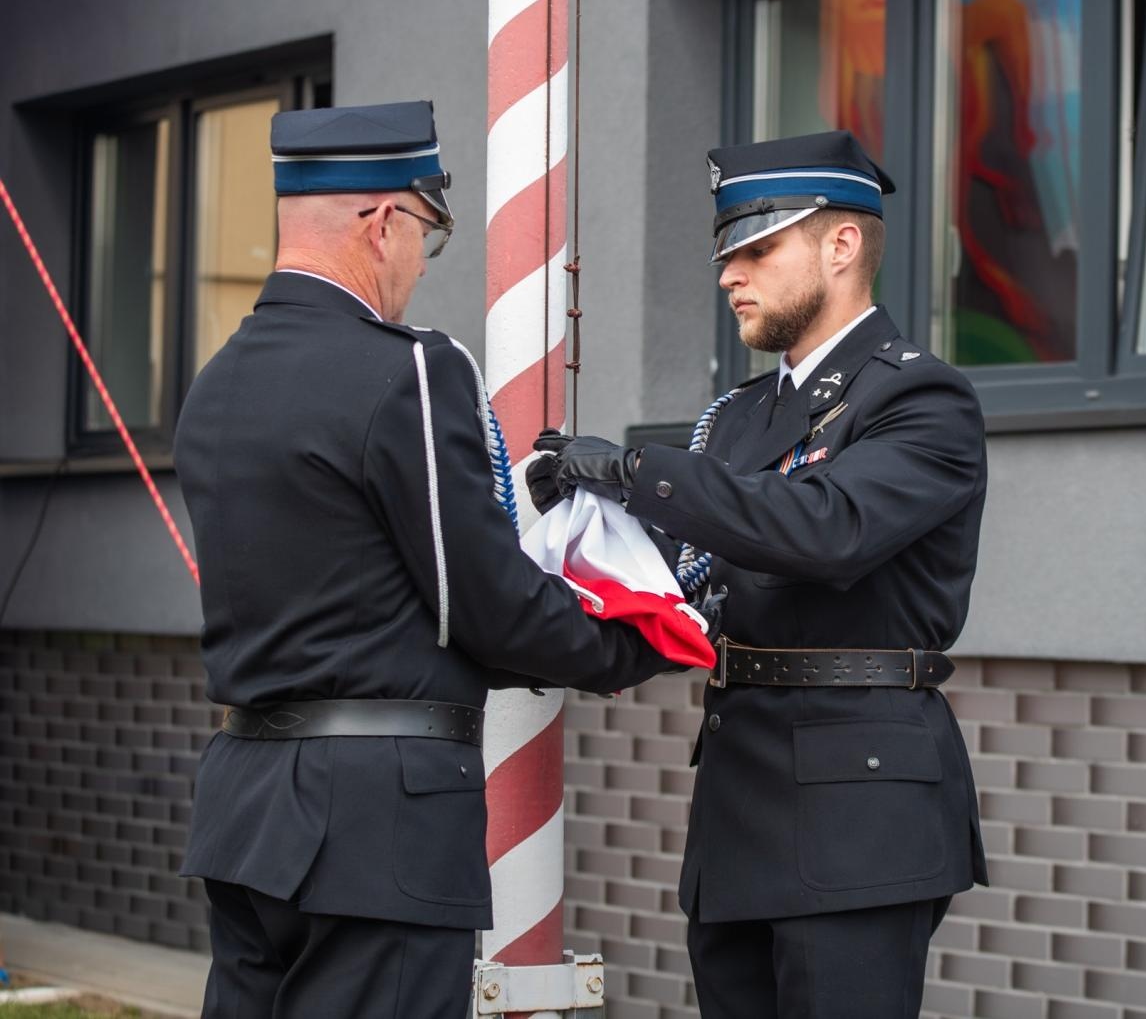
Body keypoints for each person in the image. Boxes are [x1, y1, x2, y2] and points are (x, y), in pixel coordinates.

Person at [173, 100, 682, 1019]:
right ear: (383, 222)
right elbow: (481, 601)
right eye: (426, 236)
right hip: (378, 827)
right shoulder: (407, 369)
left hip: (246, 806)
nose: (417, 265)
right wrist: (646, 638)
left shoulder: (215, 384)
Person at [528, 129, 989, 1018]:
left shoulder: (919, 398)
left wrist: (632, 471)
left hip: (860, 802)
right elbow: (669, 588)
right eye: (724, 253)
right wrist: (536, 568)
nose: (728, 274)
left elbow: (827, 530)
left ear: (841, 244)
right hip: (741, 795)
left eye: (756, 248)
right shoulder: (736, 419)